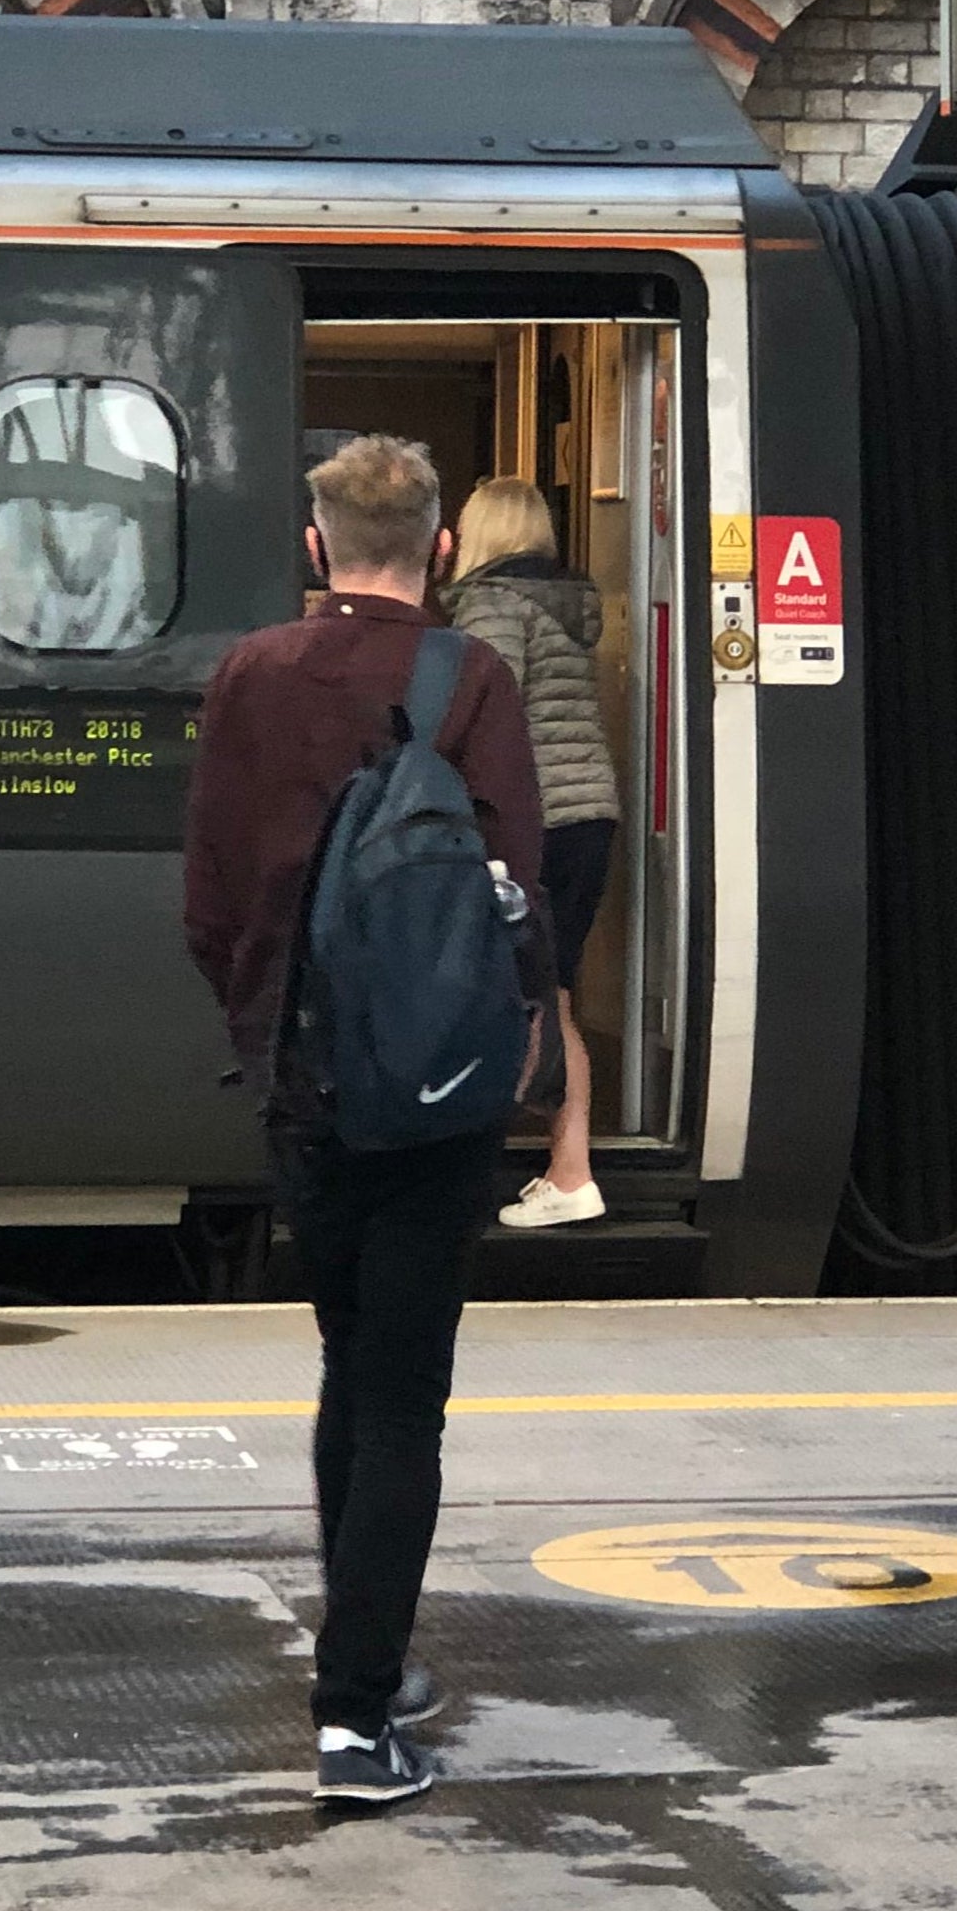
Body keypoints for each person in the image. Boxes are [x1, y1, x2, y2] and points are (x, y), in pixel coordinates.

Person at [183, 433, 546, 1807]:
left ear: (317, 542)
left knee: (347, 1365)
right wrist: (519, 1057)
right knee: (404, 1395)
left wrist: (266, 1026)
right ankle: (355, 1714)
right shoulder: (476, 676)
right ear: (441, 545)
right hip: (441, 1095)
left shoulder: (251, 673)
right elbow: (520, 887)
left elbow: (209, 902)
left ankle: (368, 1666)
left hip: (303, 1084)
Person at [444, 478, 623, 1230]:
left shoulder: (491, 606)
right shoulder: (564, 605)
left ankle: (567, 1169)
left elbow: (488, 716)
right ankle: (563, 1162)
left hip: (532, 821)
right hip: (585, 816)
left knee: (513, 993)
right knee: (553, 992)